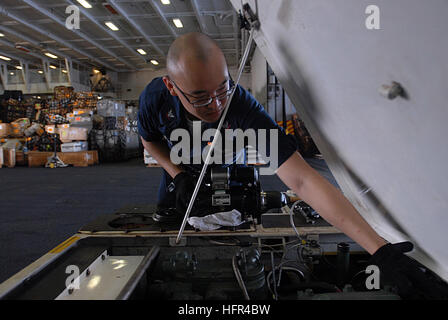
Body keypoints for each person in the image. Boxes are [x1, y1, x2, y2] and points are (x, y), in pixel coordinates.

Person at [138, 32, 448, 299]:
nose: (217, 106)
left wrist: (379, 250)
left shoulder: (241, 106)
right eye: (201, 98)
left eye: (223, 89)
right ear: (171, 86)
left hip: (231, 192)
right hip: (180, 193)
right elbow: (149, 140)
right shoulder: (155, 99)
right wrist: (177, 175)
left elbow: (301, 180)